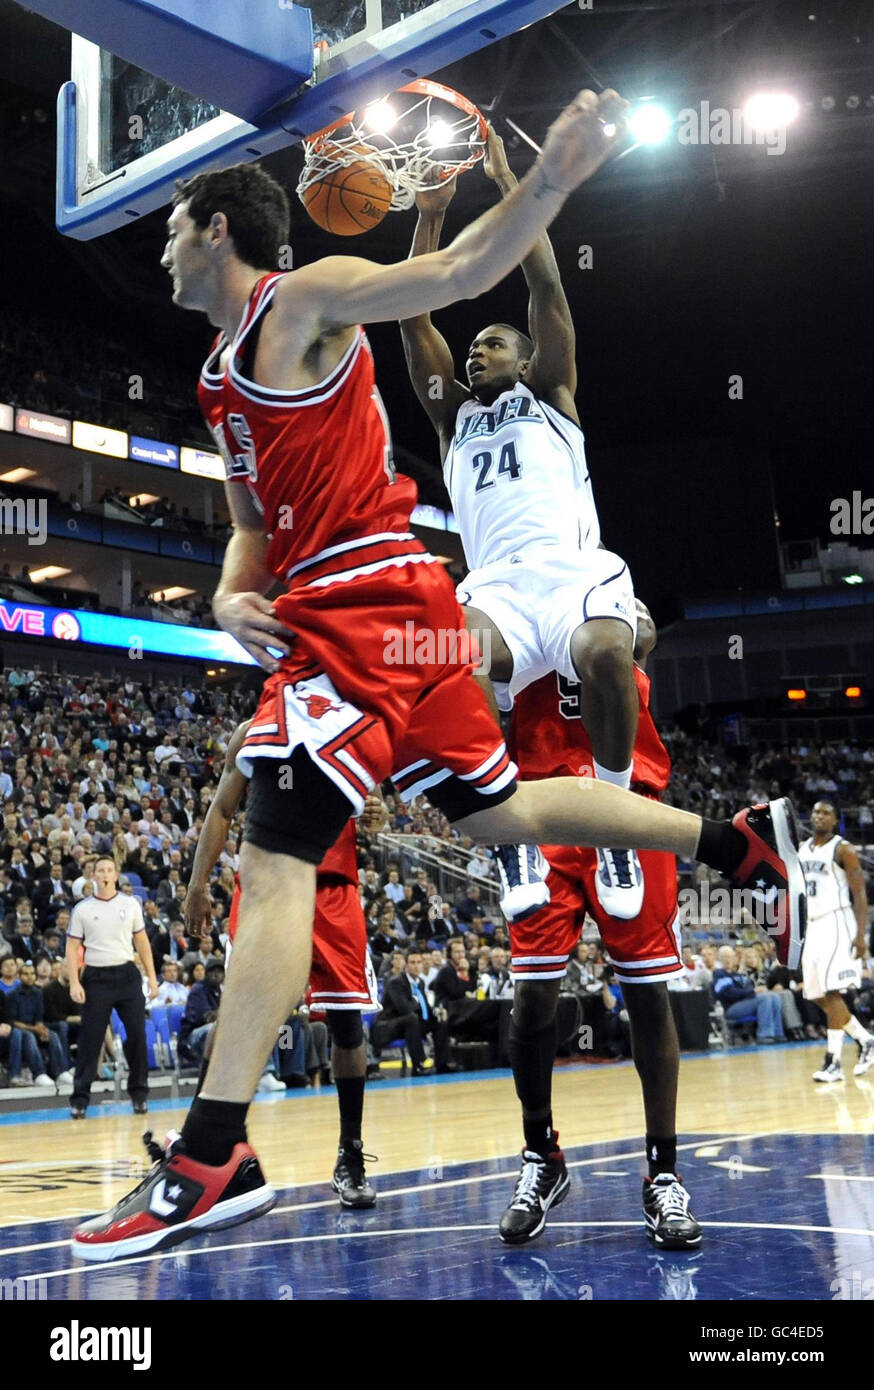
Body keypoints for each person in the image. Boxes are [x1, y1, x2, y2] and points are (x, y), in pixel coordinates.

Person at [73, 92, 804, 1260]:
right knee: (504, 808)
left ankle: (217, 1150)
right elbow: (249, 523)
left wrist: (553, 179)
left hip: (369, 610)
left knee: (273, 863)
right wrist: (222, 591)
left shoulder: (303, 301)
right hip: (411, 619)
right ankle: (727, 841)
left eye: (172, 225)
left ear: (216, 227)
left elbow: (464, 267)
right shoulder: (220, 377)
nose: (159, 244)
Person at [399, 127, 641, 923]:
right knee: (454, 657)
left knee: (608, 655)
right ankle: (512, 837)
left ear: (527, 357)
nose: (475, 354)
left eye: (492, 343)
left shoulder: (553, 393)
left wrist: (515, 185)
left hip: (573, 571)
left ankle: (614, 827)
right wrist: (431, 219)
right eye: (471, 348)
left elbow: (546, 290)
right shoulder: (451, 420)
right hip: (498, 584)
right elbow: (411, 321)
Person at [496, 602, 701, 1247]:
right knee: (531, 999)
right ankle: (541, 1155)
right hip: (545, 817)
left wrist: (607, 611)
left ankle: (662, 1174)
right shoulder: (509, 605)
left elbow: (641, 633)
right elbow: (466, 657)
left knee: (647, 994)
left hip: (629, 813)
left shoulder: (610, 600)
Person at [183, 718, 382, 1209]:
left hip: (332, 889)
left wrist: (374, 818)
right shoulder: (254, 731)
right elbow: (223, 808)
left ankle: (350, 1153)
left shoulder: (356, 727)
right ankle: (208, 1155)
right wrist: (197, 884)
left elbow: (371, 814)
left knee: (346, 1026)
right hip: (268, 888)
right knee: (238, 1022)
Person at [65, 855, 159, 1119]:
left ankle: (139, 1095)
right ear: (93, 876)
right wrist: (74, 981)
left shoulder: (130, 904)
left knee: (138, 1034)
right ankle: (80, 1099)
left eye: (109, 870)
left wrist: (151, 978)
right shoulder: (82, 909)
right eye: (100, 870)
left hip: (127, 974)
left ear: (116, 875)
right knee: (90, 1039)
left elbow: (142, 943)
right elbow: (72, 947)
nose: (105, 874)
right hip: (96, 976)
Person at [800, 801, 874, 1082]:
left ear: (835, 821)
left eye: (825, 813)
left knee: (832, 993)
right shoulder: (802, 849)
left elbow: (860, 894)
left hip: (837, 923)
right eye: (815, 811)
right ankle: (865, 1039)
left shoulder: (844, 849)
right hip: (812, 925)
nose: (819, 816)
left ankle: (833, 1062)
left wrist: (860, 934)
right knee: (816, 993)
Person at [371, 948, 454, 1076]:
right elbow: (405, 1009)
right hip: (387, 1027)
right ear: (406, 964)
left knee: (438, 1021)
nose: (416, 966)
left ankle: (443, 1063)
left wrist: (436, 1011)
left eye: (419, 962)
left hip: (408, 1027)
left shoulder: (419, 982)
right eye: (412, 963)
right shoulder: (396, 982)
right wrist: (415, 1000)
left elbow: (424, 1007)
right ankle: (419, 1064)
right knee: (411, 1018)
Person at [7, 960, 72, 1087]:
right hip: (20, 1030)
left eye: (32, 974)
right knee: (28, 1036)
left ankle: (60, 1072)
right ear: (19, 977)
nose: (29, 976)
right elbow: (14, 1022)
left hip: (34, 1027)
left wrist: (41, 1028)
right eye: (25, 974)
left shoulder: (38, 993)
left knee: (53, 1034)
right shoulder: (12, 996)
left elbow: (39, 1017)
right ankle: (39, 1073)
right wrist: (36, 1029)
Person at [711, 945, 784, 1043]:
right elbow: (728, 993)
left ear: (734, 958)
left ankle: (778, 1033)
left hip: (745, 1003)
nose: (728, 959)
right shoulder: (719, 974)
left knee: (774, 996)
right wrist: (753, 992)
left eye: (730, 956)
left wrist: (753, 992)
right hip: (731, 1008)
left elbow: (747, 990)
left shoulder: (738, 975)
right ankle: (764, 1035)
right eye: (725, 957)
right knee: (764, 999)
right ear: (720, 959)